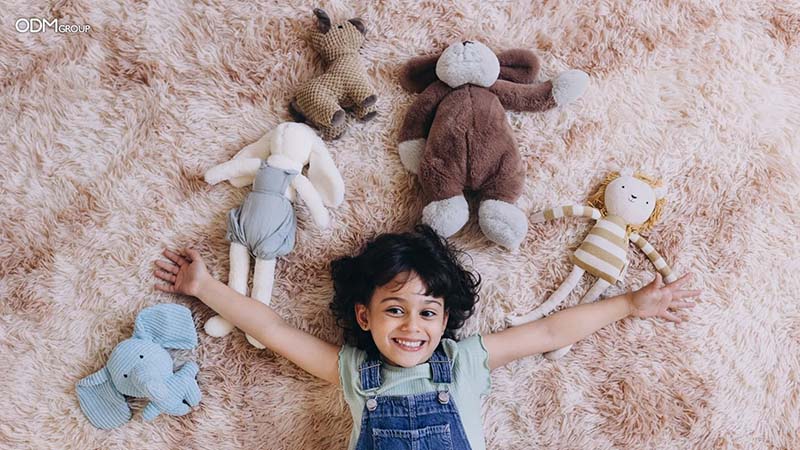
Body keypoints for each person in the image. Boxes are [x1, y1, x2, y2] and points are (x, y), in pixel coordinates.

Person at [153, 225, 699, 450]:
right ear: (365, 318)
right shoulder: (352, 371)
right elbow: (271, 329)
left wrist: (630, 303)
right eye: (395, 310)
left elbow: (551, 329)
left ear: (444, 320)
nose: (413, 328)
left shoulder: (463, 362)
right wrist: (205, 286)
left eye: (427, 313)